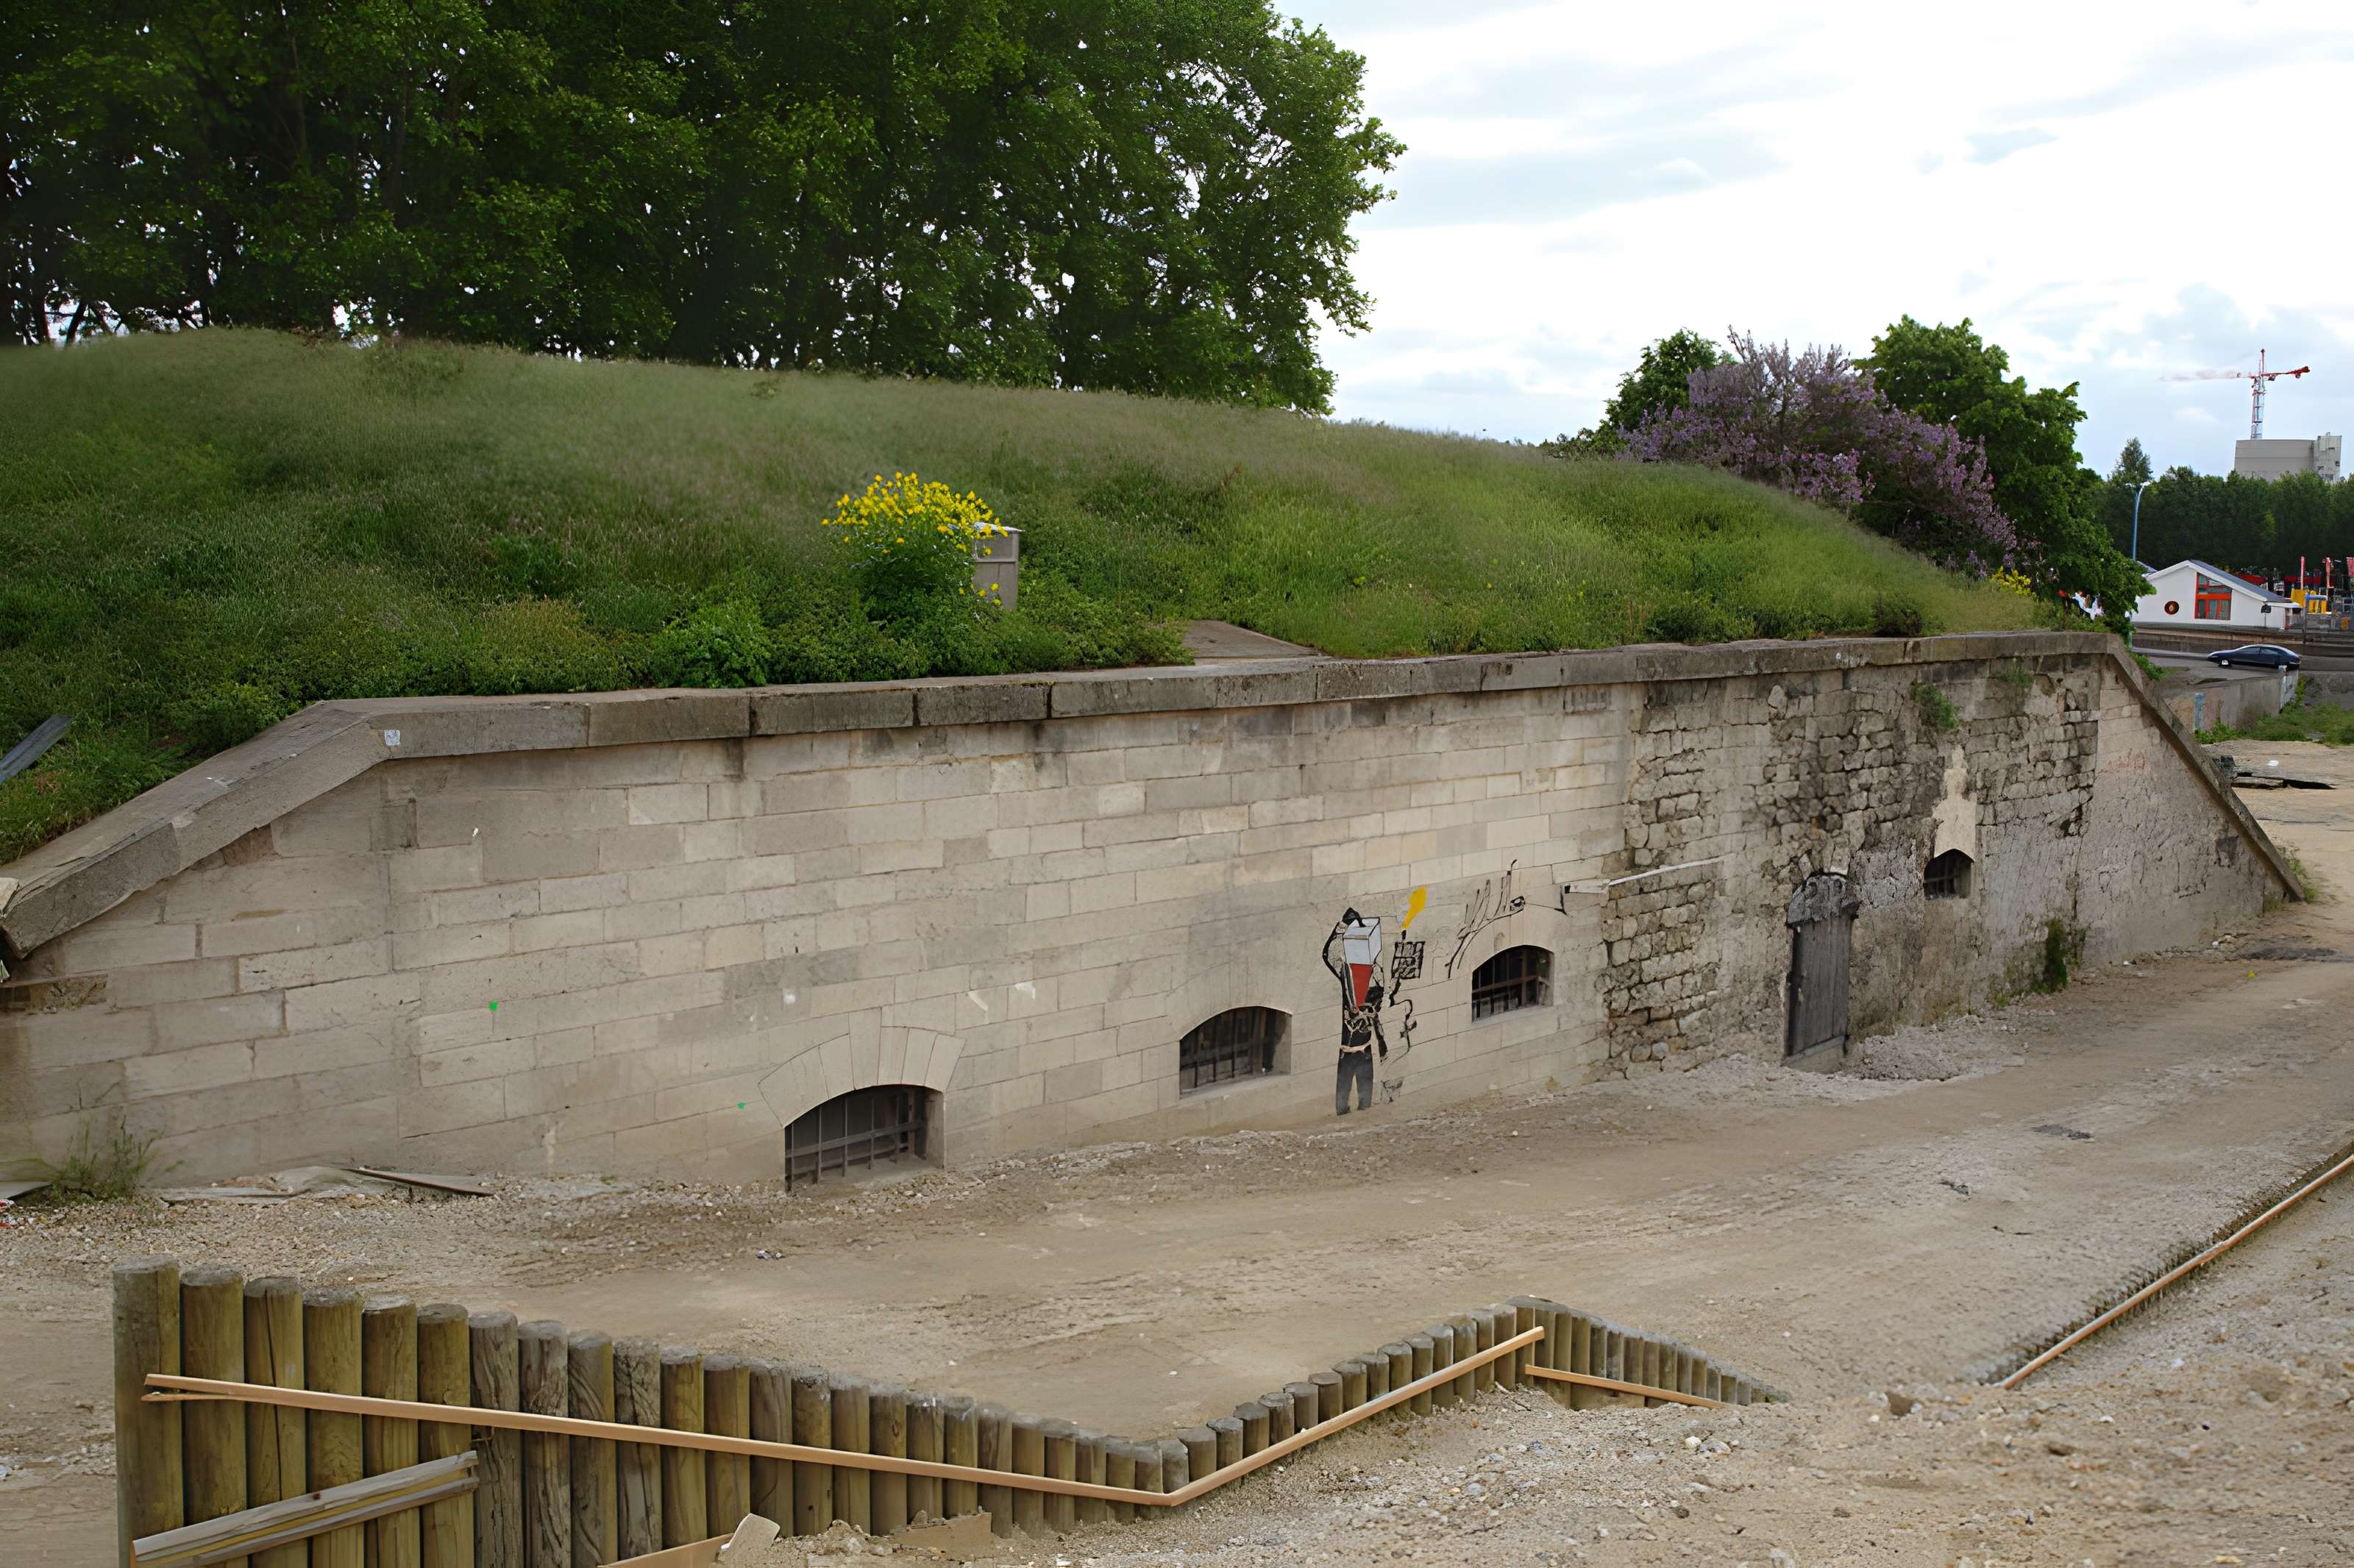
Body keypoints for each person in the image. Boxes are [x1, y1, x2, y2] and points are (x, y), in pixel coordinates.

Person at [1323, 910, 1389, 1115]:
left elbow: (1375, 1014)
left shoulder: (1373, 977)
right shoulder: (1350, 976)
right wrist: (1342, 927)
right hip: (1350, 1052)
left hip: (1365, 1052)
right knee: (1343, 1106)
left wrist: (1382, 1041)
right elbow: (1330, 956)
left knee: (1364, 1105)